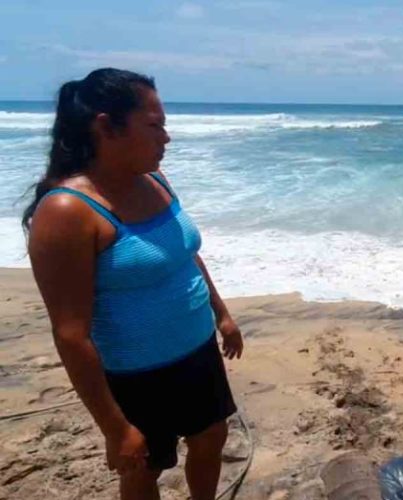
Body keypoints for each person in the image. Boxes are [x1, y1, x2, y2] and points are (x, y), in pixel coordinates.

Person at [22, 68, 244, 500]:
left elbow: (184, 253)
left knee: (210, 437)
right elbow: (71, 334)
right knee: (143, 467)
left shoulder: (155, 181)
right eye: (155, 125)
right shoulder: (68, 211)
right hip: (135, 376)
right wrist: (114, 427)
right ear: (107, 126)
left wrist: (222, 314)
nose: (167, 138)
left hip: (197, 352)